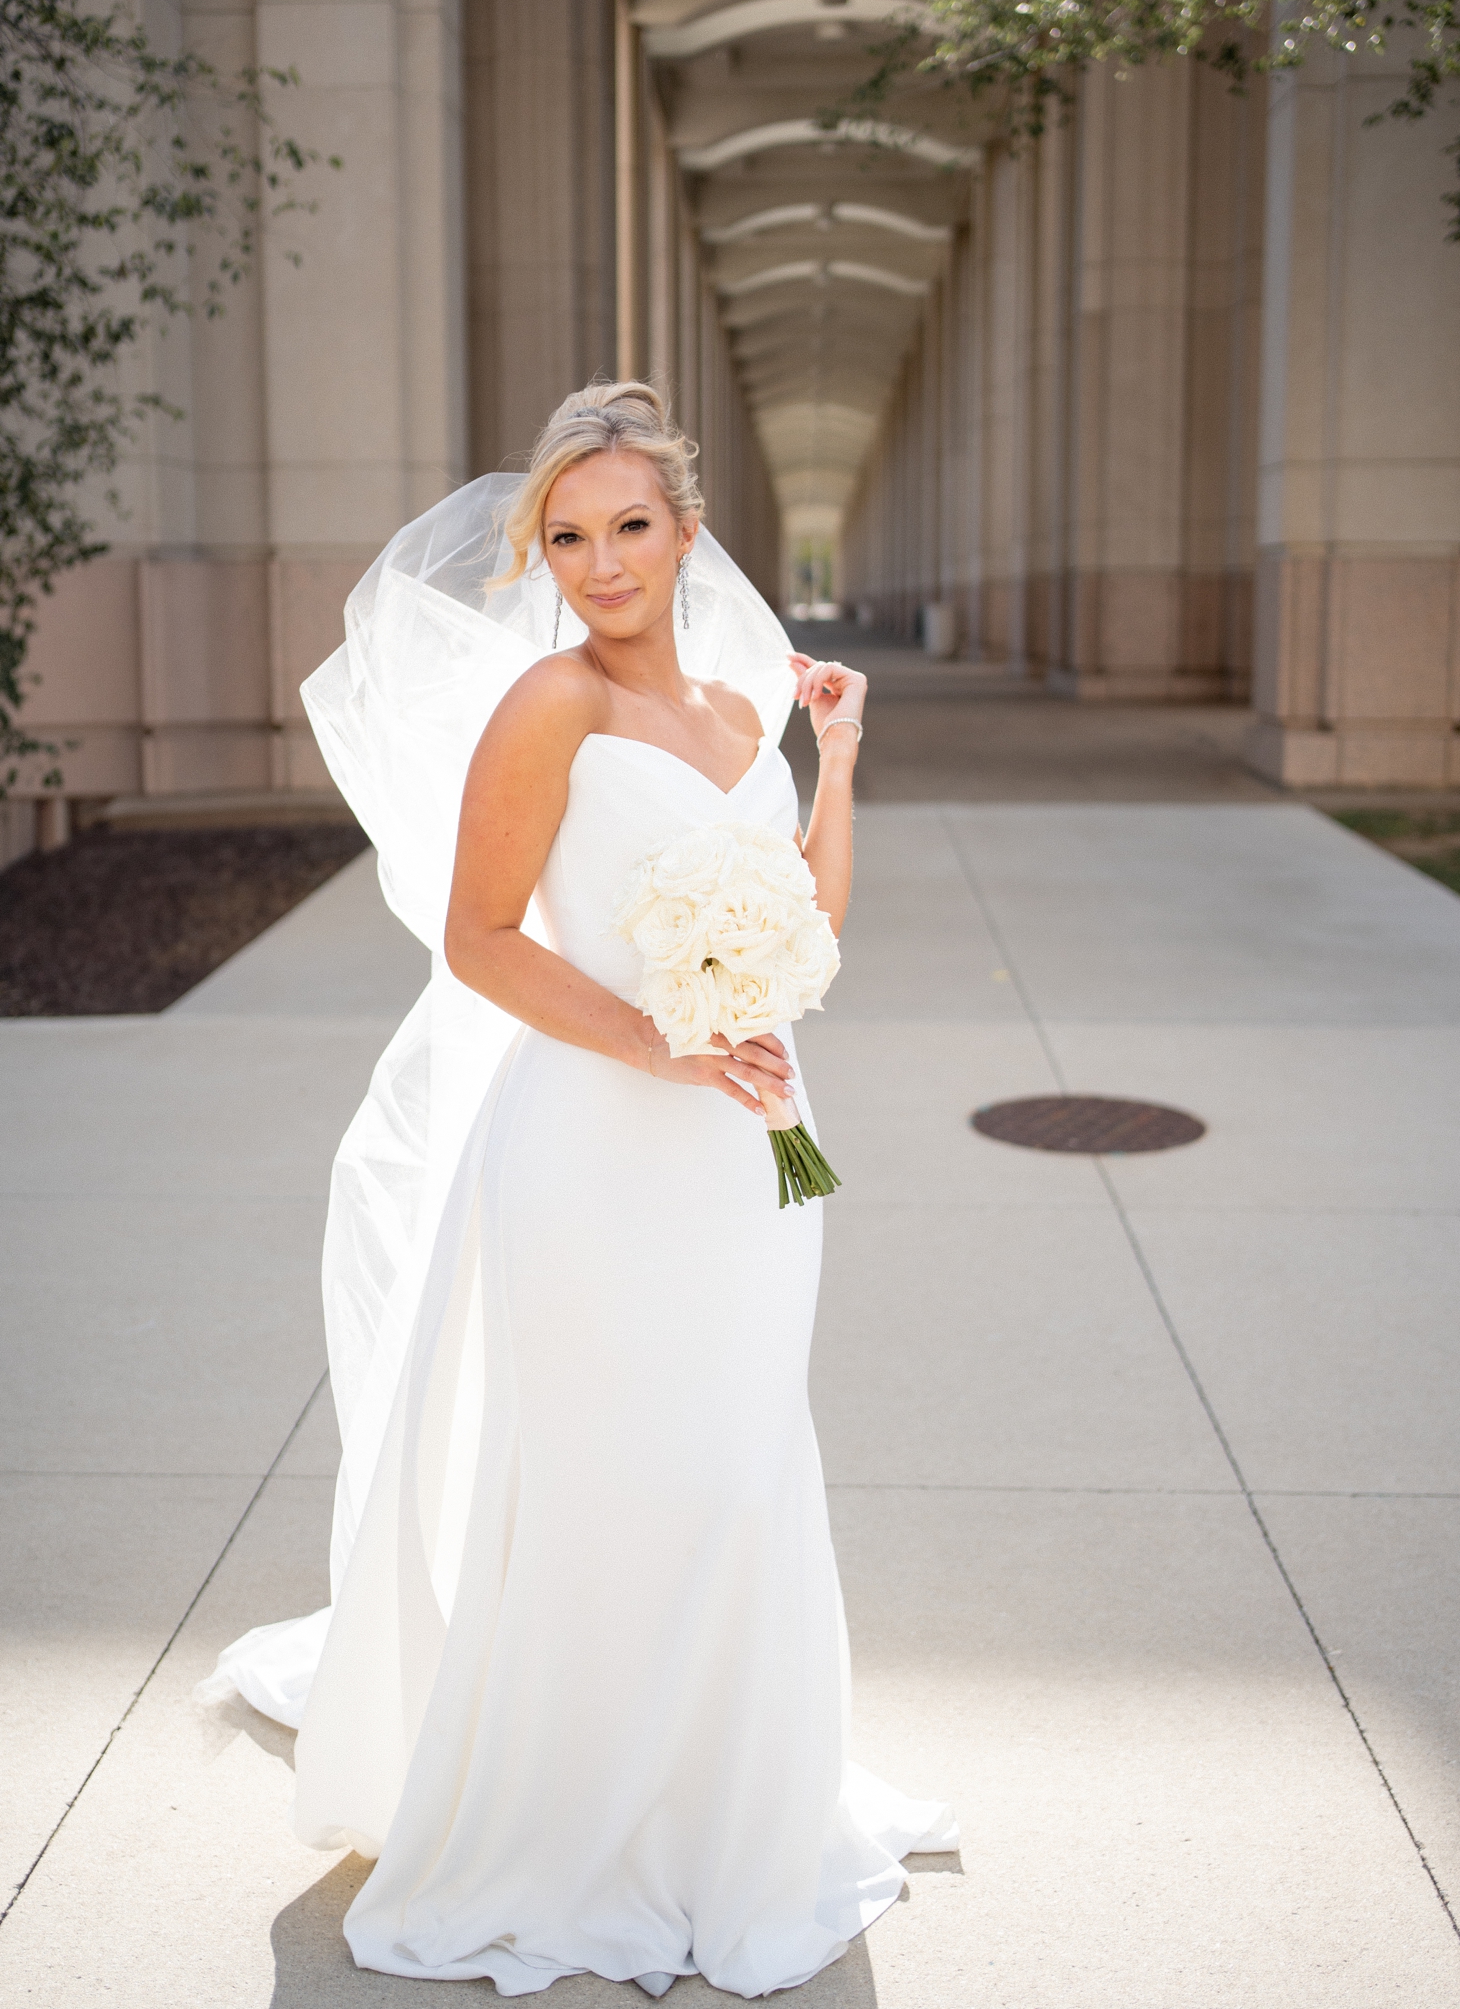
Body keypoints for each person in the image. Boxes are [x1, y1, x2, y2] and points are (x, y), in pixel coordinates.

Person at [203, 382, 955, 1997]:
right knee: (612, 1484)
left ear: (687, 532)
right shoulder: (547, 704)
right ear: (541, 550)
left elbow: (807, 928)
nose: (601, 560)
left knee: (740, 1472)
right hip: (593, 1152)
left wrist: (839, 764)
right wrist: (662, 1045)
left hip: (756, 1154)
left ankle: (725, 1816)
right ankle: (577, 1824)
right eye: (568, 533)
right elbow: (479, 941)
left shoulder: (746, 716)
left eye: (630, 525)